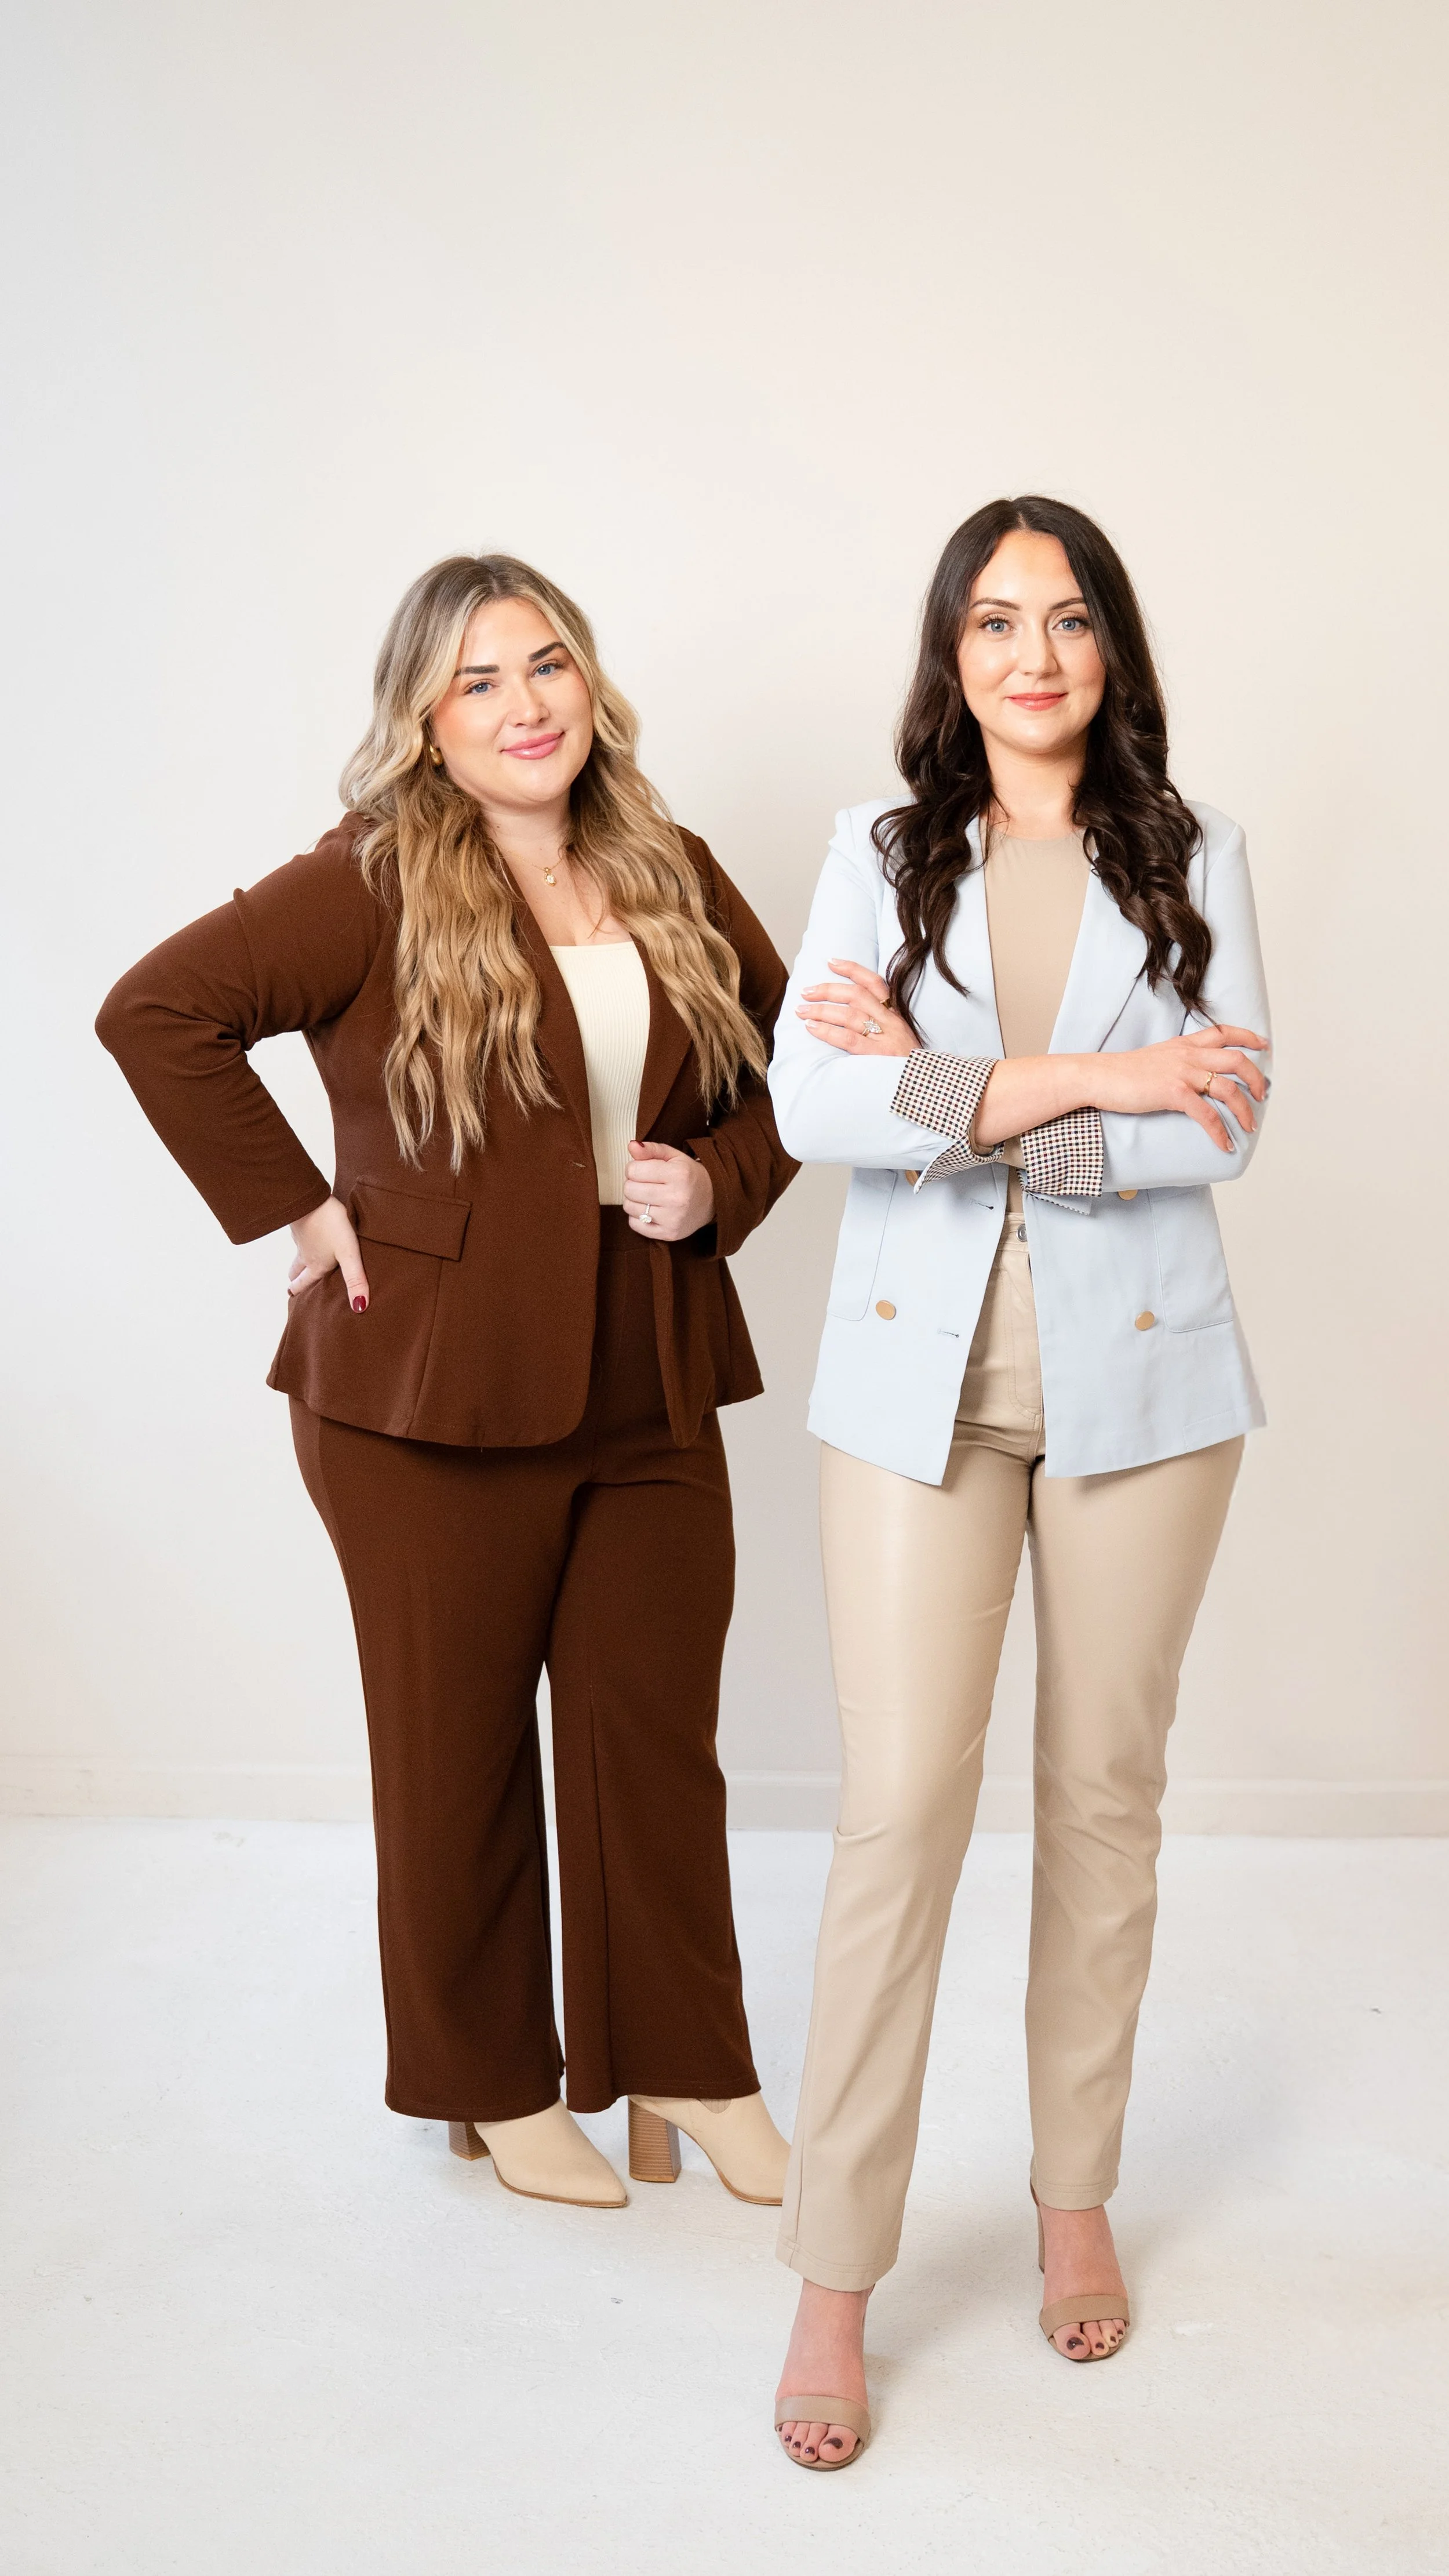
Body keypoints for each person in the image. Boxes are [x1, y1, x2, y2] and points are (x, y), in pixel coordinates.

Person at [97, 553, 798, 2211]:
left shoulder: (669, 863)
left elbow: (800, 1066)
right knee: (456, 1748)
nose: (525, 703)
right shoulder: (370, 879)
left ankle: (687, 2067)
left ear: (590, 682)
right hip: (421, 1397)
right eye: (478, 680)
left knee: (652, 1737)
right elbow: (159, 1011)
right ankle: (492, 2086)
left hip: (647, 1373)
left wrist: (717, 1185)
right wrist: (295, 1201)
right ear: (423, 719)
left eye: (546, 663)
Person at [766, 496, 1270, 2466]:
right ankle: (834, 2274)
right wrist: (1085, 1083)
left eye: (1064, 622)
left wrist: (953, 1102)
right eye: (994, 623)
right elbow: (814, 1107)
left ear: (1108, 651)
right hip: (917, 1396)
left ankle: (1075, 2194)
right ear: (950, 655)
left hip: (1147, 1392)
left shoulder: (1198, 850)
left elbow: (1219, 1128)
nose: (1032, 656)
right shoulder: (878, 854)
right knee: (897, 1808)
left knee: (1099, 1799)